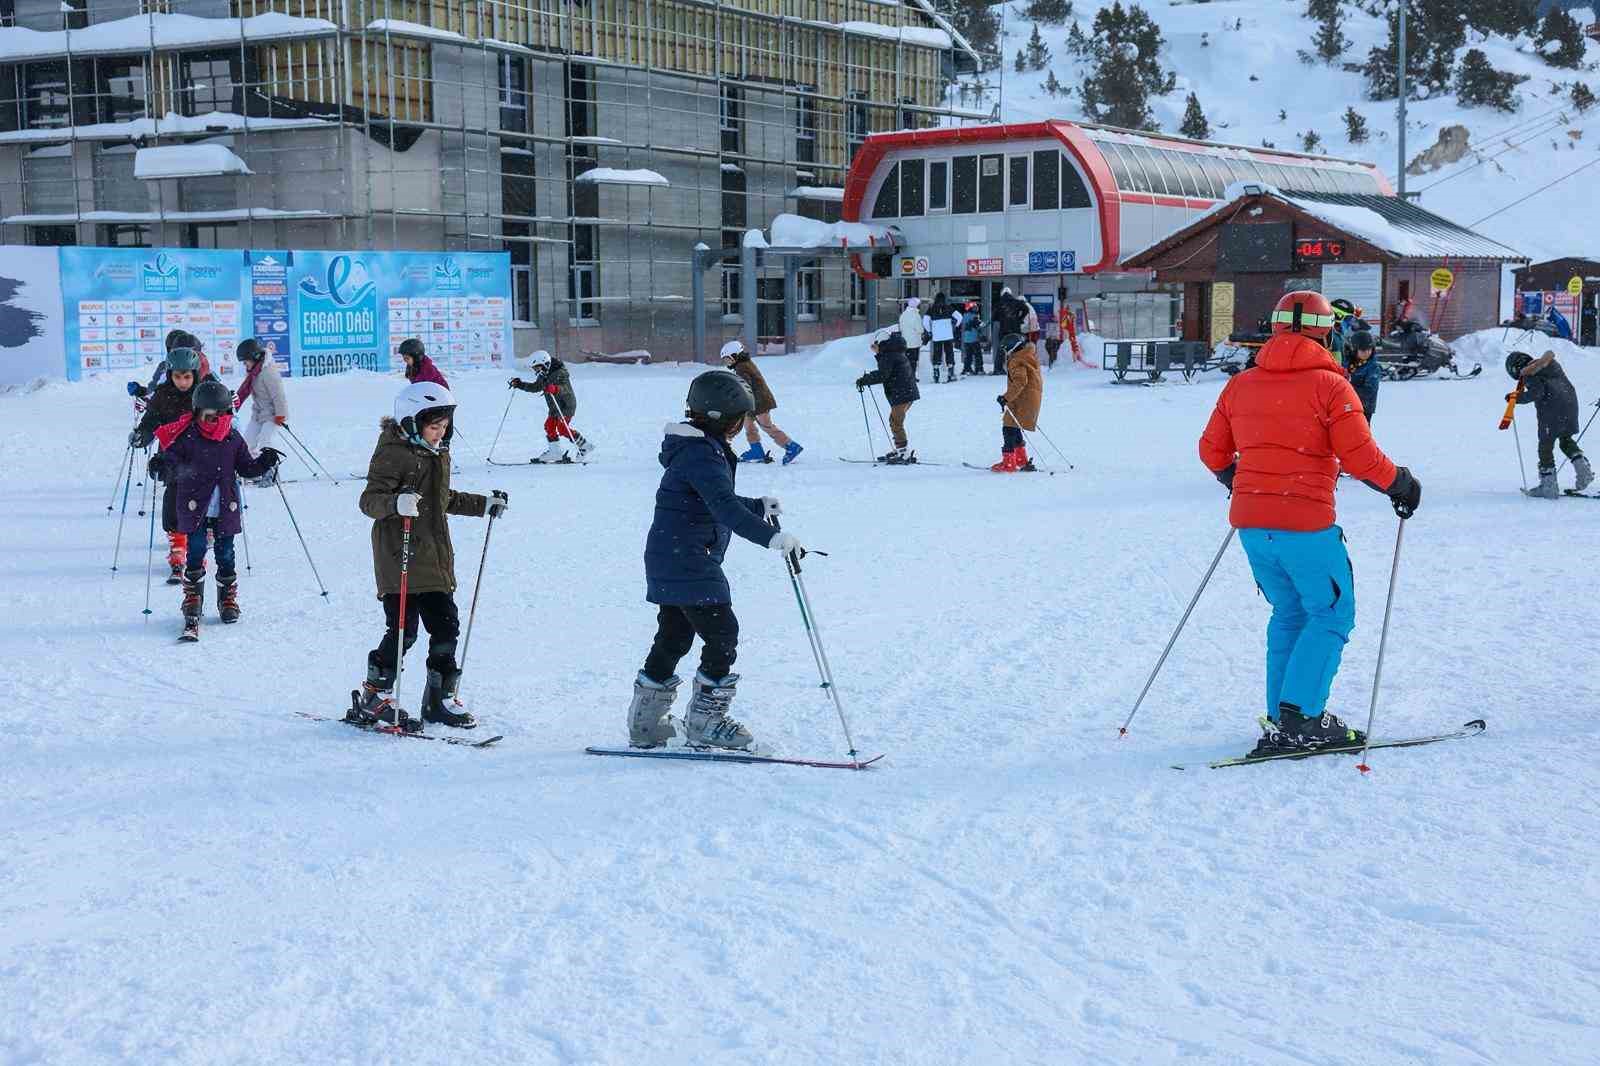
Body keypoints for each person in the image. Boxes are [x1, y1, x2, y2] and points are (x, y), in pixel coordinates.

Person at [1198, 290, 1422, 755]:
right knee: (1332, 612)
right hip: (1306, 525)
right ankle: (1303, 718)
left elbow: (1212, 451)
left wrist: (1242, 481)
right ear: (1326, 331)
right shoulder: (1331, 386)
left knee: (1291, 612)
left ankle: (1283, 715)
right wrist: (1400, 483)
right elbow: (1360, 458)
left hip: (1253, 528)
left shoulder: (1241, 384)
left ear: (1275, 327)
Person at [626, 369, 803, 751]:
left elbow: (713, 498)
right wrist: (772, 537)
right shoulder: (703, 454)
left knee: (673, 637)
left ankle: (645, 725)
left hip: (671, 555)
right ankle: (706, 723)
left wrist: (757, 505)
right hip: (690, 559)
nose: (743, 425)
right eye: (742, 418)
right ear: (726, 417)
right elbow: (723, 508)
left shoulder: (694, 449)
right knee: (722, 636)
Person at [350, 383, 507, 732]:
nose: (440, 434)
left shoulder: (436, 453)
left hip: (434, 557)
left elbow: (440, 498)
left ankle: (439, 698)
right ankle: (375, 694)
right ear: (411, 421)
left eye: (445, 427)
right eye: (434, 427)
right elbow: (369, 500)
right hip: (399, 556)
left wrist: (483, 505)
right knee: (404, 630)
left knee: (446, 625)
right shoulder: (393, 453)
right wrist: (395, 504)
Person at [147, 379, 281, 639]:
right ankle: (192, 598)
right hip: (194, 509)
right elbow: (172, 462)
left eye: (221, 415)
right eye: (209, 416)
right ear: (197, 413)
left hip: (224, 509)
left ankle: (227, 599)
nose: (215, 421)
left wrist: (264, 462)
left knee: (226, 554)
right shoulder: (188, 437)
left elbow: (246, 468)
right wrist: (162, 464)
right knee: (195, 552)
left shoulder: (232, 438)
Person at [130, 347, 210, 584]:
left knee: (199, 505)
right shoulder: (163, 395)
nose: (182, 382)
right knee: (173, 501)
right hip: (172, 457)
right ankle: (177, 547)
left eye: (187, 377)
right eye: (177, 377)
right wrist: (141, 436)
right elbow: (150, 422)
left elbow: (221, 419)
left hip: (201, 456)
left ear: (195, 374)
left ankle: (197, 549)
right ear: (170, 375)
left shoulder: (204, 393)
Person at [1508, 350, 1593, 498]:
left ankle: (1549, 486)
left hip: (1551, 411)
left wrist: (1515, 398)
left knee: (1545, 446)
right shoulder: (1551, 364)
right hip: (1570, 405)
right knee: (1565, 440)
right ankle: (1583, 469)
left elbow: (1537, 393)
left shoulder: (1530, 374)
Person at [719, 339, 803, 464]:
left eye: (728, 359)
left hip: (760, 403)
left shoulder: (742, 367)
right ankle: (756, 450)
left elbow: (744, 385)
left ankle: (791, 447)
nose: (727, 363)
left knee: (767, 426)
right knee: (748, 425)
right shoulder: (743, 364)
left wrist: (734, 396)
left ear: (736, 356)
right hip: (753, 403)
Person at [508, 350, 594, 463]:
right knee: (549, 426)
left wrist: (555, 388)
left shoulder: (560, 373)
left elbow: (565, 389)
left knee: (562, 428)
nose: (536, 371)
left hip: (566, 405)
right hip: (554, 407)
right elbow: (536, 387)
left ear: (545, 364)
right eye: (534, 369)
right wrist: (520, 384)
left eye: (537, 368)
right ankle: (555, 452)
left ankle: (585, 446)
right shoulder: (544, 374)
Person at [856, 327, 921, 464]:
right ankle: (900, 449)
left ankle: (903, 453)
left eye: (876, 345)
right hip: (906, 392)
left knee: (896, 422)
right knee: (894, 420)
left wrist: (865, 379)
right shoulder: (894, 352)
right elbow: (886, 369)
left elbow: (883, 374)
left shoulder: (889, 355)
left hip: (902, 393)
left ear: (881, 344)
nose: (874, 348)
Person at [991, 334, 1043, 472]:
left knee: (1008, 428)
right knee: (1014, 426)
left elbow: (1020, 382)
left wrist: (1005, 398)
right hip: (1030, 399)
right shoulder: (1028, 355)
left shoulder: (1016, 360)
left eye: (1005, 349)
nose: (1004, 352)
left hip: (1022, 399)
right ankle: (1020, 459)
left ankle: (1009, 463)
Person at [233, 338, 288, 460]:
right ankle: (252, 469)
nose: (244, 364)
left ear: (255, 356)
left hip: (273, 416)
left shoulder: (268, 372)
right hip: (258, 415)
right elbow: (243, 391)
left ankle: (270, 472)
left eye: (245, 361)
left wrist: (280, 415)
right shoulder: (254, 372)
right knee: (245, 445)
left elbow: (278, 396)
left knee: (265, 444)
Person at [1347, 328, 1380, 424]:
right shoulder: (1350, 362)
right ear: (1354, 349)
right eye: (1363, 350)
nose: (1367, 353)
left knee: (1361, 433)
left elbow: (1369, 390)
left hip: (1364, 407)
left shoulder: (1372, 367)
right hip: (1348, 405)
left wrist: (1347, 389)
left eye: (1369, 349)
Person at [995, 288, 1028, 375]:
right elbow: (1026, 309)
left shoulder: (999, 303)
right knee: (1017, 349)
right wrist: (1019, 319)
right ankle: (1018, 368)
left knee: (1001, 349)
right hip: (1015, 330)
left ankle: (998, 369)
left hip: (1003, 331)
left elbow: (994, 317)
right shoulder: (1017, 302)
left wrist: (1001, 319)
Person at [927, 292, 958, 383]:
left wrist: (930, 330)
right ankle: (951, 373)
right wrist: (955, 326)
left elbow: (925, 321)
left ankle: (936, 374)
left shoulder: (931, 309)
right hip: (948, 335)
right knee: (949, 353)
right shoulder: (949, 308)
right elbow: (959, 317)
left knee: (937, 354)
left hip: (937, 336)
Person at [898, 296, 925, 381]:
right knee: (913, 361)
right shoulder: (915, 315)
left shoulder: (903, 314)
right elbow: (920, 329)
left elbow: (900, 328)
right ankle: (911, 377)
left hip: (905, 342)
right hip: (914, 342)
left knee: (906, 360)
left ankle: (906, 376)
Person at [960, 302, 985, 376]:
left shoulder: (964, 316)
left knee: (968, 355)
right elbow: (979, 325)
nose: (976, 309)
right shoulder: (974, 316)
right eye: (975, 308)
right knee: (978, 355)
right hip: (974, 339)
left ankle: (966, 369)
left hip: (966, 339)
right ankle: (979, 369)